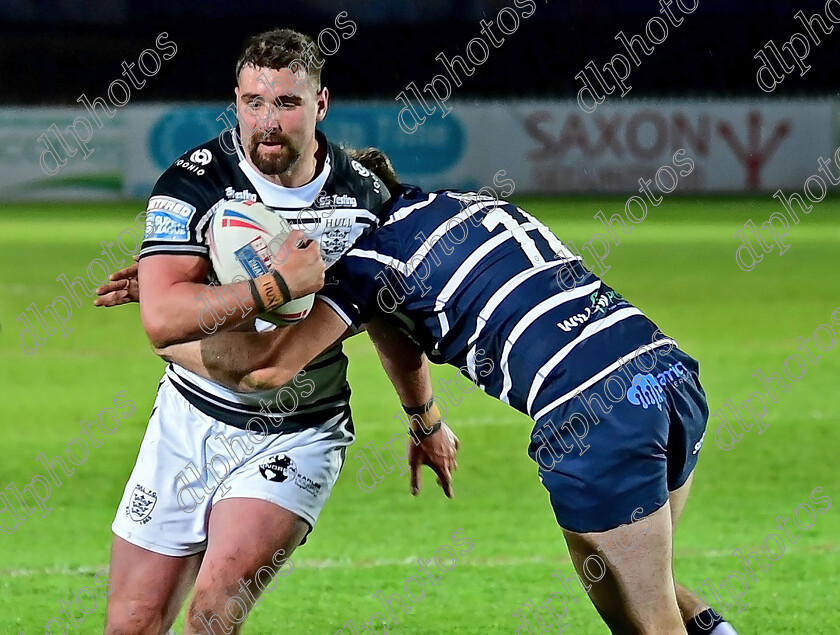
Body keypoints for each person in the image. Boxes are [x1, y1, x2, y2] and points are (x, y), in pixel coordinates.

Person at [115, 148, 738, 635]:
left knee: (647, 621)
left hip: (593, 415)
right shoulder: (473, 206)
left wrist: (172, 333)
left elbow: (269, 371)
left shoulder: (372, 256)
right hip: (669, 376)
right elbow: (400, 327)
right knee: (646, 586)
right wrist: (425, 419)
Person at [96, 29, 457, 635]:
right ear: (235, 102)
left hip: (297, 430)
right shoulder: (195, 182)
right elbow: (160, 319)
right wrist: (277, 285)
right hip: (188, 422)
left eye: (286, 103)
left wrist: (424, 417)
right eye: (252, 103)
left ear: (320, 105)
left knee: (213, 611)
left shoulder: (365, 201)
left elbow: (387, 320)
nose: (266, 121)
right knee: (132, 623)